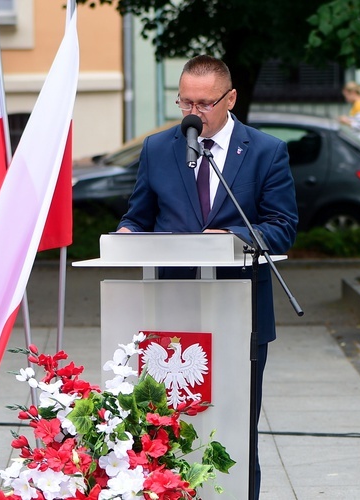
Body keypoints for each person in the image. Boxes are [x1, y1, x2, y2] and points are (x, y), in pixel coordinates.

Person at [116, 54, 298, 498]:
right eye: (185, 103)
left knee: (236, 428)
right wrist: (124, 233)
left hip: (240, 313)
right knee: (164, 431)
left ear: (230, 99)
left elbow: (282, 226)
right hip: (167, 315)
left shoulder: (265, 151)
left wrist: (231, 235)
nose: (193, 114)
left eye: (204, 104)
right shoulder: (159, 149)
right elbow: (139, 217)